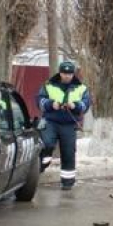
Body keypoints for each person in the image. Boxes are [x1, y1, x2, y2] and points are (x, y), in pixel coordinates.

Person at [37, 61, 90, 190]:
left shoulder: (81, 88)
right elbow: (39, 100)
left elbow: (85, 105)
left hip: (69, 124)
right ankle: (41, 165)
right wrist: (51, 104)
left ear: (73, 74)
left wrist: (74, 106)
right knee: (47, 143)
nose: (67, 76)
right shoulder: (49, 85)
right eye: (65, 73)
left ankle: (67, 182)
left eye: (70, 74)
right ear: (60, 73)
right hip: (51, 121)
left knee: (68, 152)